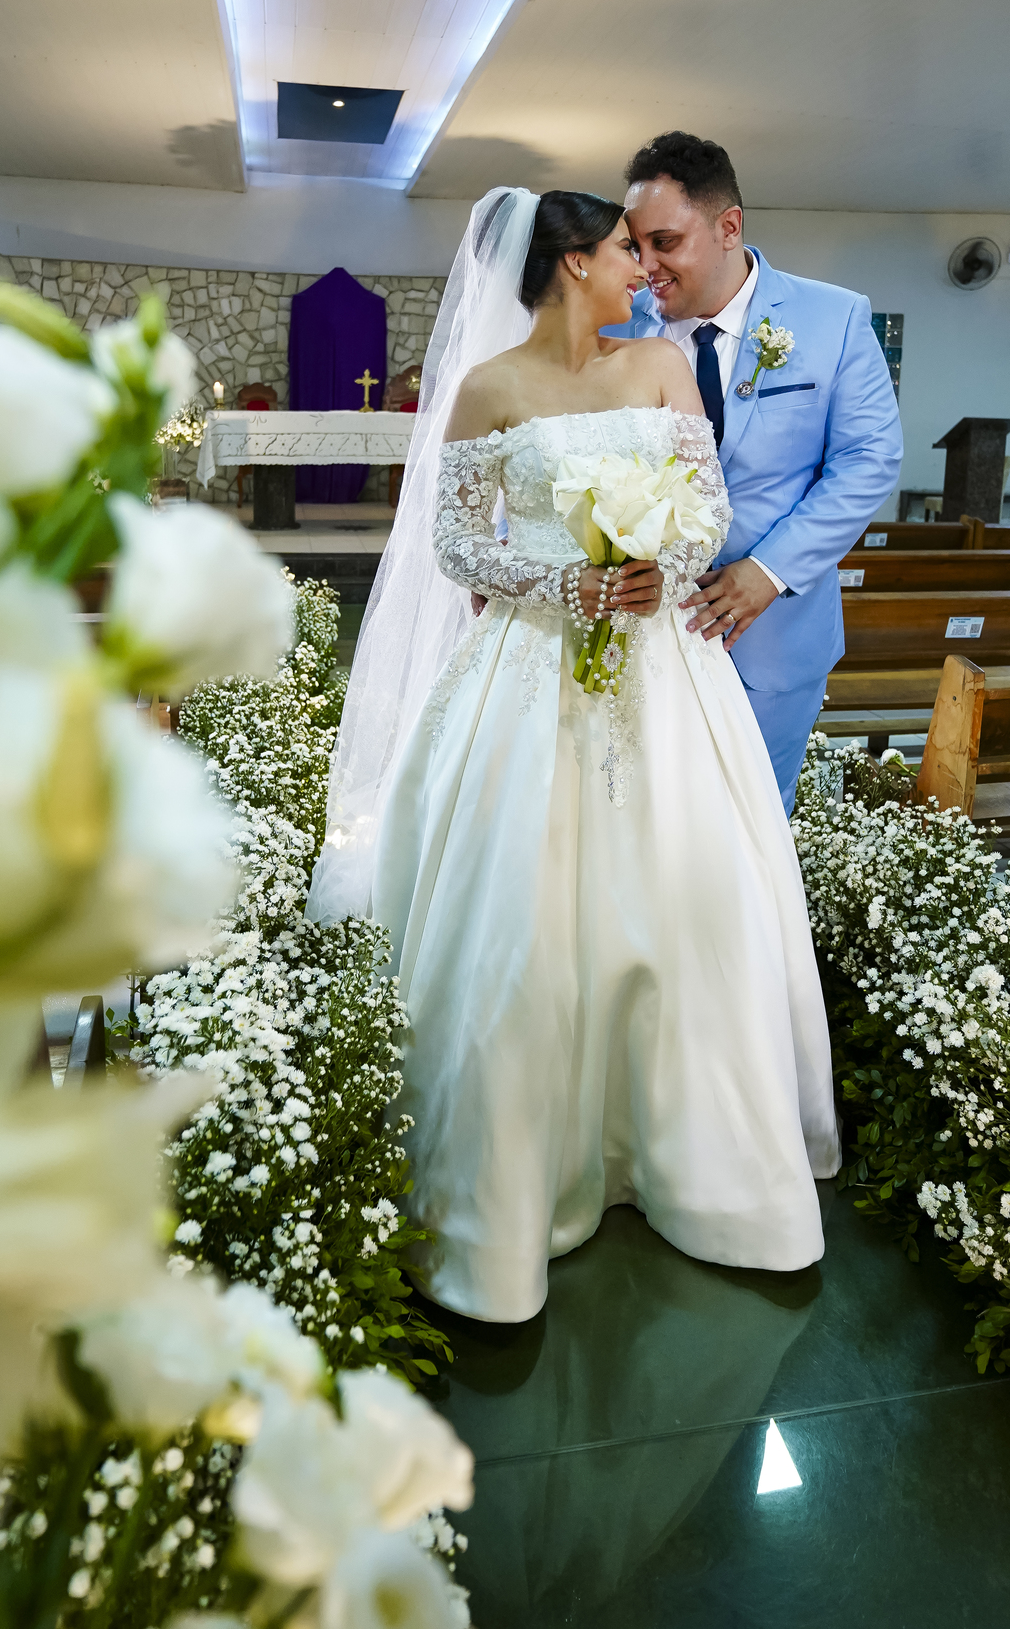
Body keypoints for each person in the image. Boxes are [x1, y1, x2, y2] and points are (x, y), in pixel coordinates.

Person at [308, 187, 839, 1324]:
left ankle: (693, 1157)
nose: (644, 269)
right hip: (530, 665)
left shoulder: (660, 367)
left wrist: (661, 563)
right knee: (530, 902)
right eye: (622, 250)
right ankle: (519, 1177)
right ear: (570, 263)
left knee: (679, 890)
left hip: (660, 664)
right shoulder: (489, 388)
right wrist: (565, 581)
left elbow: (706, 508)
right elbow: (457, 542)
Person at [615, 133, 903, 812]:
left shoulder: (833, 318)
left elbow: (869, 458)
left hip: (772, 637)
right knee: (639, 821)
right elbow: (556, 435)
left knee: (755, 824)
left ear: (729, 227)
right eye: (636, 245)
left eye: (664, 242)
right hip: (637, 628)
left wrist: (768, 571)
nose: (646, 266)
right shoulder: (617, 323)